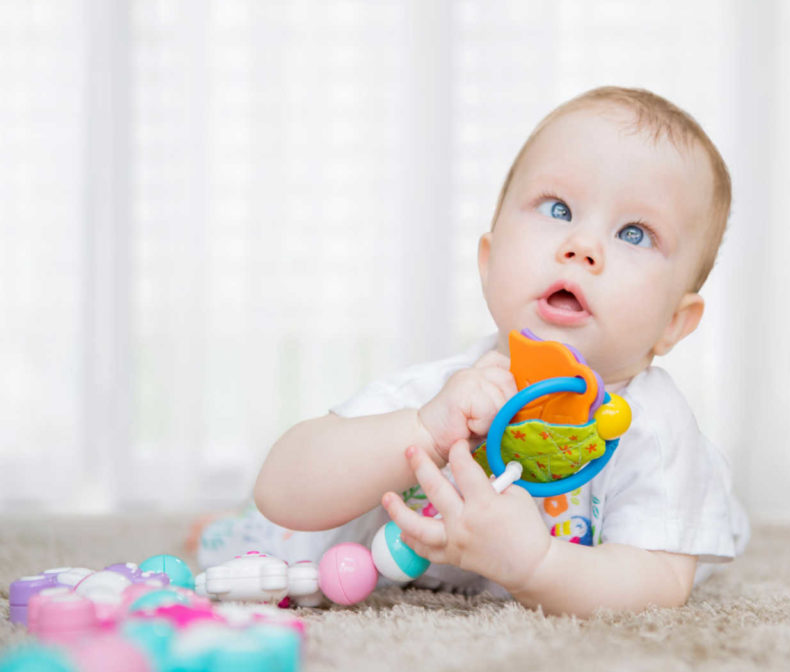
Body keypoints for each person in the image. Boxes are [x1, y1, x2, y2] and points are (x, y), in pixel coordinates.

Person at [196, 86, 749, 617]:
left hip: (597, 541)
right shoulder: (452, 392)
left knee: (684, 534)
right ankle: (220, 525)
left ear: (674, 323)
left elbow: (657, 581)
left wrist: (537, 565)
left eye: (634, 233)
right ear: (489, 262)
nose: (581, 247)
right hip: (368, 533)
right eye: (557, 209)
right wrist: (423, 429)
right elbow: (283, 489)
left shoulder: (655, 432)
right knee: (261, 543)